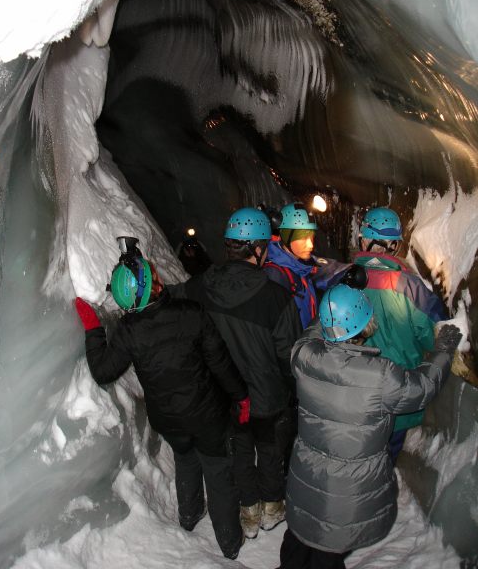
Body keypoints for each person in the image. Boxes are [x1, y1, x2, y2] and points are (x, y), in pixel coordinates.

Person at [74, 237, 249, 560]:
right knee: (218, 472)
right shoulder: (190, 313)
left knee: (185, 460)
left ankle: (189, 515)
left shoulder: (129, 331)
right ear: (153, 285)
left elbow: (103, 371)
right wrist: (241, 397)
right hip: (207, 414)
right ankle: (229, 542)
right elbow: (219, 362)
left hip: (168, 419)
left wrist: (93, 329)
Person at [279, 284, 461, 569]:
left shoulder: (304, 357)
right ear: (364, 326)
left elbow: (311, 333)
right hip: (347, 493)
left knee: (300, 540)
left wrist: (328, 313)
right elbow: (424, 387)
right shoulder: (379, 376)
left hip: (306, 477)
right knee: (328, 551)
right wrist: (444, 350)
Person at [171, 208, 302, 539]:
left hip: (226, 395)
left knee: (239, 451)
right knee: (270, 451)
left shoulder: (199, 287)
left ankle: (249, 511)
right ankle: (272, 507)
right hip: (269, 396)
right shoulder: (277, 298)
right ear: (258, 248)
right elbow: (290, 356)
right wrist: (294, 392)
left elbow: (171, 303)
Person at [353, 206, 448, 462]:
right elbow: (434, 335)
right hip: (398, 396)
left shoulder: (345, 280)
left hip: (355, 394)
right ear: (394, 246)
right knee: (386, 458)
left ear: (363, 240)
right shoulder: (411, 287)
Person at [264, 203, 367, 329]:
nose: (310, 245)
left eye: (311, 237)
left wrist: (348, 272)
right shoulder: (275, 275)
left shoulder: (302, 263)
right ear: (286, 236)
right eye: (302, 238)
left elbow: (325, 267)